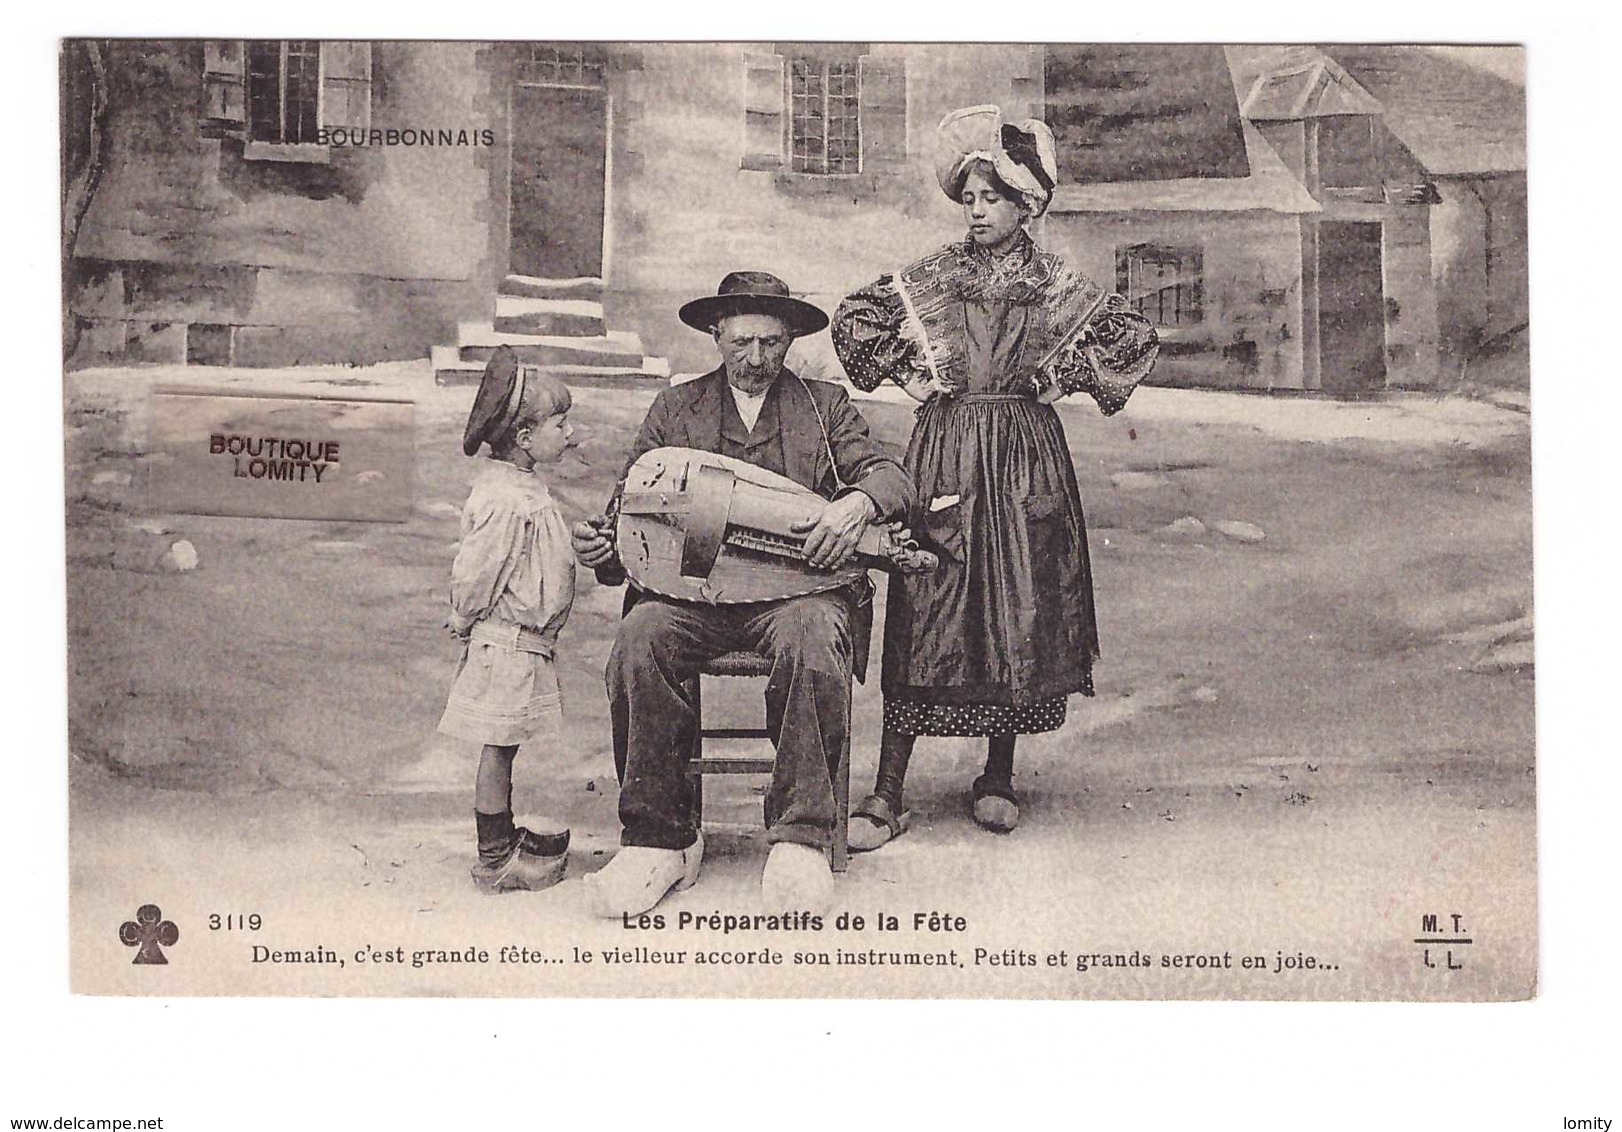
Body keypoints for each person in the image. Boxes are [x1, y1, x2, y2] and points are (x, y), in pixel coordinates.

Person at [831, 105, 1159, 849]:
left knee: (1019, 602)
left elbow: (1132, 335)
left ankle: (998, 773)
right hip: (946, 446)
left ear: (1026, 204)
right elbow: (855, 317)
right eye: (970, 198)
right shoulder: (939, 273)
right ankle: (886, 792)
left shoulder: (1053, 281)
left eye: (993, 199)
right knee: (928, 595)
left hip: (1022, 452)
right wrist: (915, 377)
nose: (977, 211)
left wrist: (1062, 376)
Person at [571, 271, 914, 916]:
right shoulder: (676, 409)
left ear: (790, 341)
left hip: (792, 599)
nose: (757, 359)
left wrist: (859, 504)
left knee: (814, 637)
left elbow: (891, 473)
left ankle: (800, 841)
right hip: (690, 601)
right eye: (743, 342)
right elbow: (632, 518)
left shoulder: (823, 405)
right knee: (639, 638)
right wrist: (604, 550)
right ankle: (660, 839)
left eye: (773, 343)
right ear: (715, 334)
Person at [437, 346, 580, 892]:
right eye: (560, 423)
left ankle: (505, 831)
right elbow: (477, 570)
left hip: (526, 644)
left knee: (507, 742)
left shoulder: (523, 487)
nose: (569, 433)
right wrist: (464, 614)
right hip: (506, 644)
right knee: (497, 746)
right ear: (524, 438)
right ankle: (494, 857)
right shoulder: (504, 499)